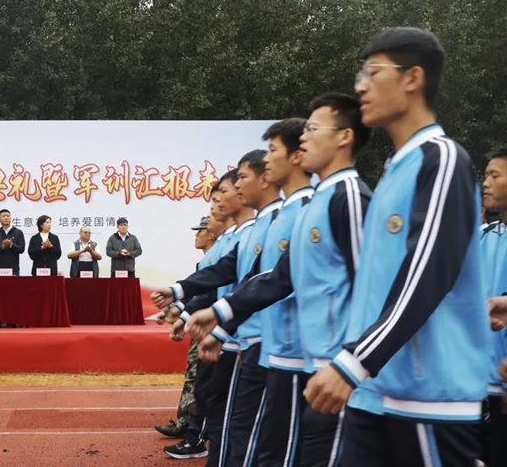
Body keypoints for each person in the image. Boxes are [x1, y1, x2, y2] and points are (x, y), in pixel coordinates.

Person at [302, 28, 488, 465]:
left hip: (428, 398)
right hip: (376, 391)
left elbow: (427, 272)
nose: (361, 86)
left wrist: (355, 361)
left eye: (373, 72)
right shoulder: (395, 171)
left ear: (412, 78)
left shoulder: (442, 159)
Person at [187, 96, 372, 466]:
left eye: (313, 130)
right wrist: (221, 315)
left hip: (330, 363)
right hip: (298, 358)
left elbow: (368, 285)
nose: (304, 138)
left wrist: (353, 360)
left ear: (344, 137)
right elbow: (280, 276)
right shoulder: (312, 204)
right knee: (278, 450)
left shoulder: (348, 196)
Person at [155, 150, 283, 467]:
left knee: (248, 426)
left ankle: (197, 439)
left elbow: (262, 282)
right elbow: (222, 276)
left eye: (235, 183)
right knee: (226, 414)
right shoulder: (247, 232)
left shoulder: (279, 220)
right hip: (237, 335)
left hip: (263, 340)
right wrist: (181, 298)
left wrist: (213, 321)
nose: (218, 202)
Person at [480, 148, 507, 467]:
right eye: (485, 174)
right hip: (475, 386)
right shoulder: (480, 239)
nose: (485, 183)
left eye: (494, 175)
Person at [0, 209, 25, 276]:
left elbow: (21, 249)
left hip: (14, 268)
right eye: (3, 216)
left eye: (8, 216)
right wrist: (2, 246)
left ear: (10, 218)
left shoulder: (18, 232)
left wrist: (11, 245)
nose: (6, 218)